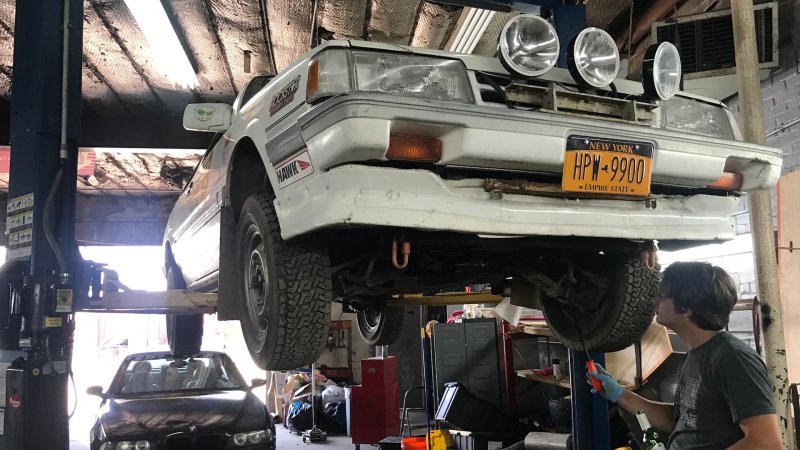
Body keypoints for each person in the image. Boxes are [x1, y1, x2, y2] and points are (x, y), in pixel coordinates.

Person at [588, 261, 782, 449]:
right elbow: (681, 421)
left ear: (686, 309)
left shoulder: (733, 358)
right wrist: (619, 394)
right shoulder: (696, 354)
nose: (655, 300)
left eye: (663, 295)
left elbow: (766, 444)